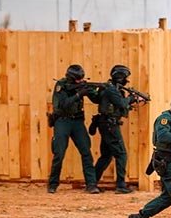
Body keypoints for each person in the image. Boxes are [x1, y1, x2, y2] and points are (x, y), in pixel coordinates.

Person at [47, 64, 102, 194]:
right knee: (59, 153)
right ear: (71, 78)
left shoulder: (80, 85)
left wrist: (93, 91)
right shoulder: (61, 85)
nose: (80, 81)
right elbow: (63, 104)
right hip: (62, 121)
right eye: (78, 80)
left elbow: (96, 99)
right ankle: (53, 184)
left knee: (86, 152)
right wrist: (78, 94)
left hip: (77, 121)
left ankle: (91, 184)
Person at [93, 64, 136, 194]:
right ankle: (120, 185)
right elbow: (121, 103)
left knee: (106, 155)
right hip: (109, 124)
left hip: (107, 124)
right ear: (119, 77)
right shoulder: (111, 90)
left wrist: (132, 101)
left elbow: (121, 106)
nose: (126, 80)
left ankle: (92, 182)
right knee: (121, 154)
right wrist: (131, 98)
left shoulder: (114, 89)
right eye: (125, 77)